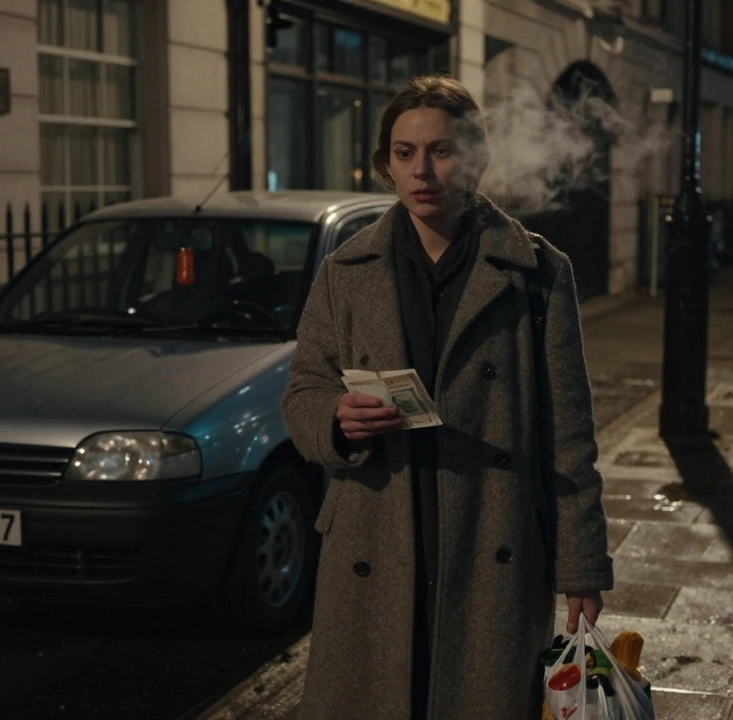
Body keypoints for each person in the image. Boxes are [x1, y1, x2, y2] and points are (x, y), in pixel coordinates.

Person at [281, 75, 614, 720]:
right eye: (404, 153)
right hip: (376, 544)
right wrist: (335, 419)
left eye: (440, 150)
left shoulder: (539, 275)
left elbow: (569, 434)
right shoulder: (346, 272)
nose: (421, 170)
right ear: (385, 164)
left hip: (493, 541)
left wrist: (582, 564)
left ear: (476, 157)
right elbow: (303, 392)